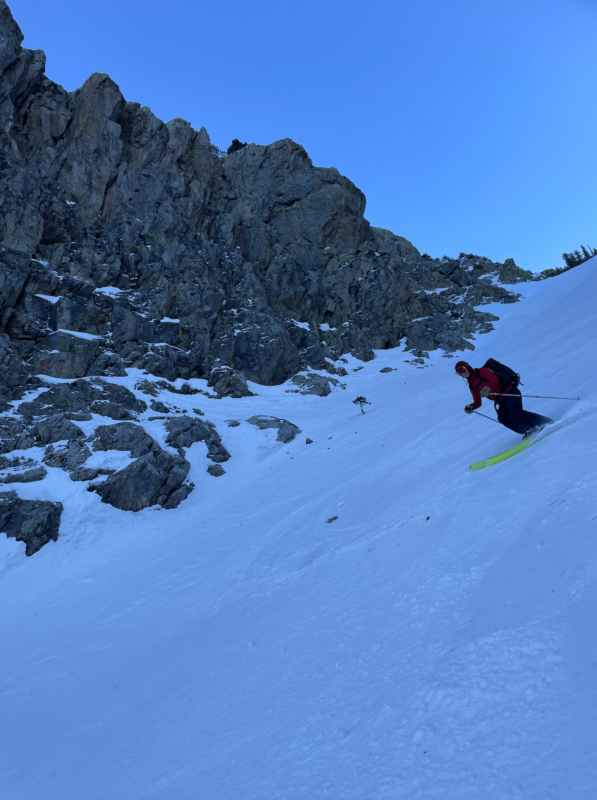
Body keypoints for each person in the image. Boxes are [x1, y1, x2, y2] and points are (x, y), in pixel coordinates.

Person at [455, 360, 552, 438]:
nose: (463, 373)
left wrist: (488, 387)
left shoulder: (481, 372)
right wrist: (471, 407)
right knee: (502, 417)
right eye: (459, 373)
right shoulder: (472, 386)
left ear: (468, 366)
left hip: (509, 392)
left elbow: (494, 379)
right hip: (501, 400)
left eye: (463, 369)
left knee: (515, 414)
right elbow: (478, 402)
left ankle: (544, 422)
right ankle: (529, 430)